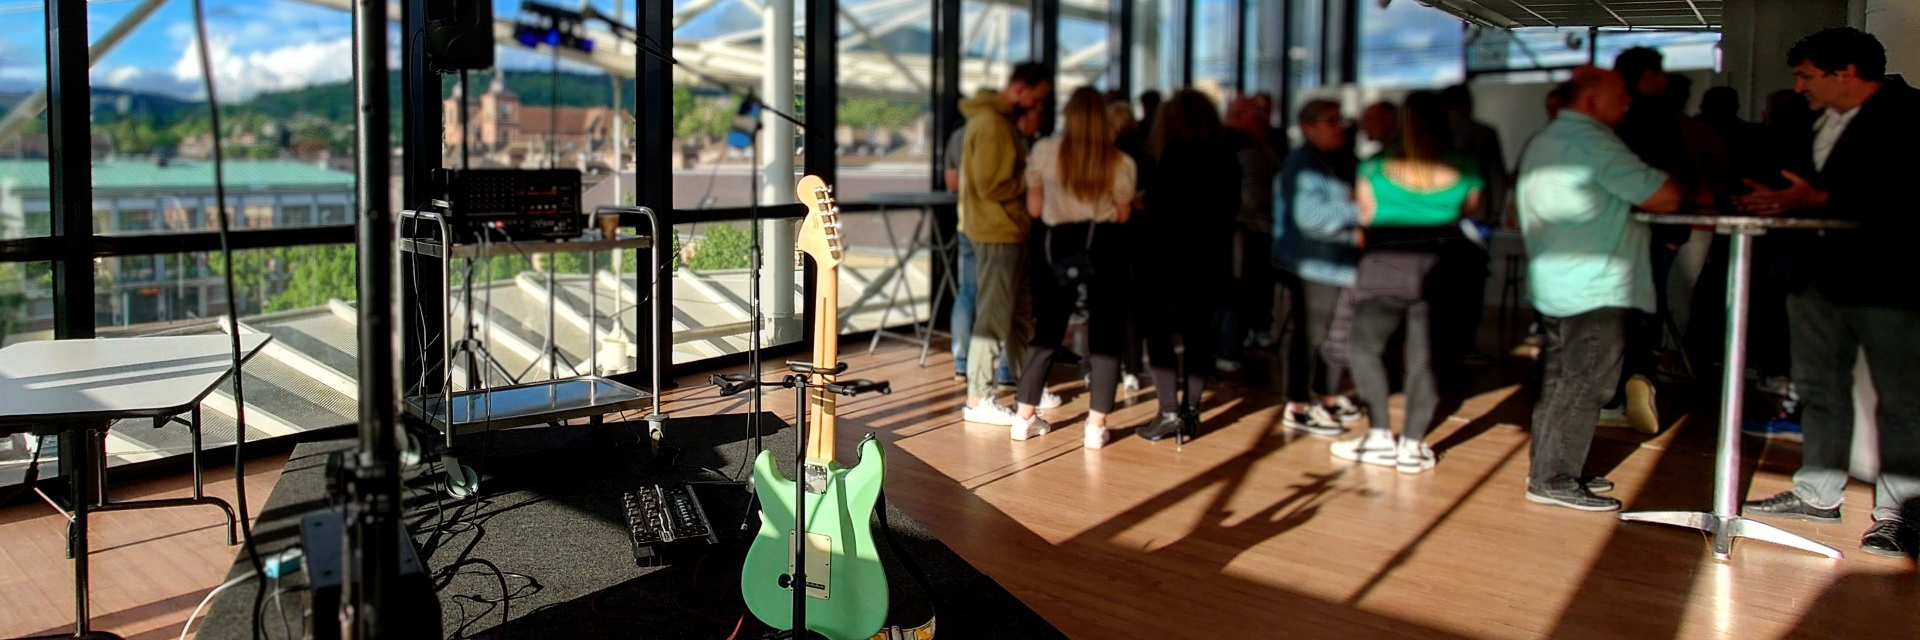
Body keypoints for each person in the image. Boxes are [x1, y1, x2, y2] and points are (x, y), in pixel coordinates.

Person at [1736, 27, 1920, 557]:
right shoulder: (1814, 120)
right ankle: (1818, 494)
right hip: (1815, 277)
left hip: (1890, 281)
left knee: (1900, 402)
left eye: (1807, 75)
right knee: (1819, 390)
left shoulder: (1913, 115)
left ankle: (1899, 517)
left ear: (1847, 73)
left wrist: (1819, 195)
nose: (1798, 87)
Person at [1517, 66, 1683, 512]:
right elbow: (1663, 196)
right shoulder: (1593, 142)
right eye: (1621, 95)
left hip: (1558, 280)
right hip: (1594, 284)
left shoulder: (1546, 139)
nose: (1627, 103)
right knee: (1588, 380)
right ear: (1591, 99)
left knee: (1561, 380)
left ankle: (1549, 467)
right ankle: (1554, 478)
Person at [1330, 91, 1483, 473]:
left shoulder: (1374, 168)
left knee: (1364, 349)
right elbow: (1468, 211)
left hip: (1385, 267)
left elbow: (1364, 220)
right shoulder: (1466, 168)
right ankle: (1412, 446)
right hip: (1441, 272)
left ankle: (1380, 435)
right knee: (1424, 360)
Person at [1012, 87, 1138, 448]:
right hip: (1104, 245)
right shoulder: (1121, 162)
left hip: (1058, 247)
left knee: (1048, 331)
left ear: (1068, 116)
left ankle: (1024, 418)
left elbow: (1035, 210)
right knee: (1105, 334)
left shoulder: (1045, 151)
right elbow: (1125, 212)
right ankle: (1096, 426)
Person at [1133, 89, 1240, 442]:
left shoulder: (1175, 155)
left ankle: (1168, 412)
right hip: (1210, 258)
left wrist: (1144, 205)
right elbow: (1229, 210)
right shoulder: (1227, 156)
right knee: (1200, 336)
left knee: (1159, 333)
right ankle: (1192, 410)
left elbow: (1164, 211)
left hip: (1169, 259)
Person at [957, 61, 1053, 430]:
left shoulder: (991, 122)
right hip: (998, 231)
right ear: (1020, 90)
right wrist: (1029, 178)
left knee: (1013, 316)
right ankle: (978, 398)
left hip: (1003, 231)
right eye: (1036, 100)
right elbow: (992, 185)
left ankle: (1025, 388)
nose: (1035, 109)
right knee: (995, 317)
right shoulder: (994, 124)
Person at [1273, 100, 1365, 437]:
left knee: (1334, 335)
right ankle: (1297, 405)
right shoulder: (1302, 165)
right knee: (1310, 337)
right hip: (1313, 266)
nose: (1339, 126)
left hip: (1335, 264)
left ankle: (1325, 395)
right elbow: (1310, 216)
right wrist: (1358, 210)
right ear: (1308, 126)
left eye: (1340, 119)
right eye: (1330, 121)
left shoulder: (1333, 160)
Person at [945, 108, 1042, 386]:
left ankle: (962, 363)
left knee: (969, 294)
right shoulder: (1007, 135)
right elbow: (999, 187)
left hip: (967, 224)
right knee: (1001, 304)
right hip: (998, 228)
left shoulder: (960, 135)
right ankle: (1003, 375)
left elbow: (952, 183)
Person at [1436, 85, 1504, 366]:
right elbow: (1495, 177)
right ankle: (1464, 346)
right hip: (1475, 221)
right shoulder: (1483, 133)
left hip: (1439, 222)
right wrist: (1493, 214)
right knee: (1471, 285)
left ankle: (1438, 343)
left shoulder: (1431, 134)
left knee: (1441, 285)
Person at [1215, 96, 1283, 372]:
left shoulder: (1226, 146)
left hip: (1233, 230)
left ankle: (1225, 348)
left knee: (1230, 293)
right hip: (1249, 230)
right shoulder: (1250, 151)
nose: (1264, 116)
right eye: (1258, 112)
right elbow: (1253, 197)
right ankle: (1228, 349)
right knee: (1239, 293)